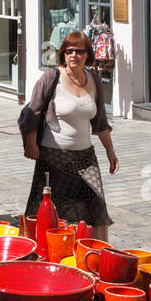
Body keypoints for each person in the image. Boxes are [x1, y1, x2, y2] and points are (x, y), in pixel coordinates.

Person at [20, 31, 119, 243]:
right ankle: (41, 249)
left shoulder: (93, 79)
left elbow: (100, 121)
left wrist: (110, 151)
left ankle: (98, 254)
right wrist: (31, 143)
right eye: (69, 51)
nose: (73, 55)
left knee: (97, 204)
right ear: (63, 54)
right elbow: (33, 112)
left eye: (79, 51)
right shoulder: (52, 77)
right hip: (53, 156)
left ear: (88, 55)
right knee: (50, 208)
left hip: (85, 156)